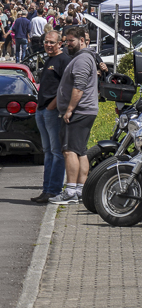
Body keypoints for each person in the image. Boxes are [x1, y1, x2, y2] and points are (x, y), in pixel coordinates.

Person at [51, 26, 99, 205]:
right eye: (67, 40)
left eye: (71, 40)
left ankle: (70, 191)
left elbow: (79, 87)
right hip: (84, 110)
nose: (68, 44)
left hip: (79, 111)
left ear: (82, 40)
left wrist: (69, 109)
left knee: (69, 150)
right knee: (80, 151)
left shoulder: (82, 60)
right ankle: (80, 190)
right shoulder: (83, 58)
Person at [33, 31, 70, 204]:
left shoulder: (63, 60)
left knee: (56, 152)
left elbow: (66, 87)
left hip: (51, 111)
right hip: (41, 110)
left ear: (60, 43)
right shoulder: (49, 59)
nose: (48, 45)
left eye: (52, 42)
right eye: (46, 42)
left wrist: (52, 105)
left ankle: (54, 190)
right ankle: (46, 189)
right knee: (47, 152)